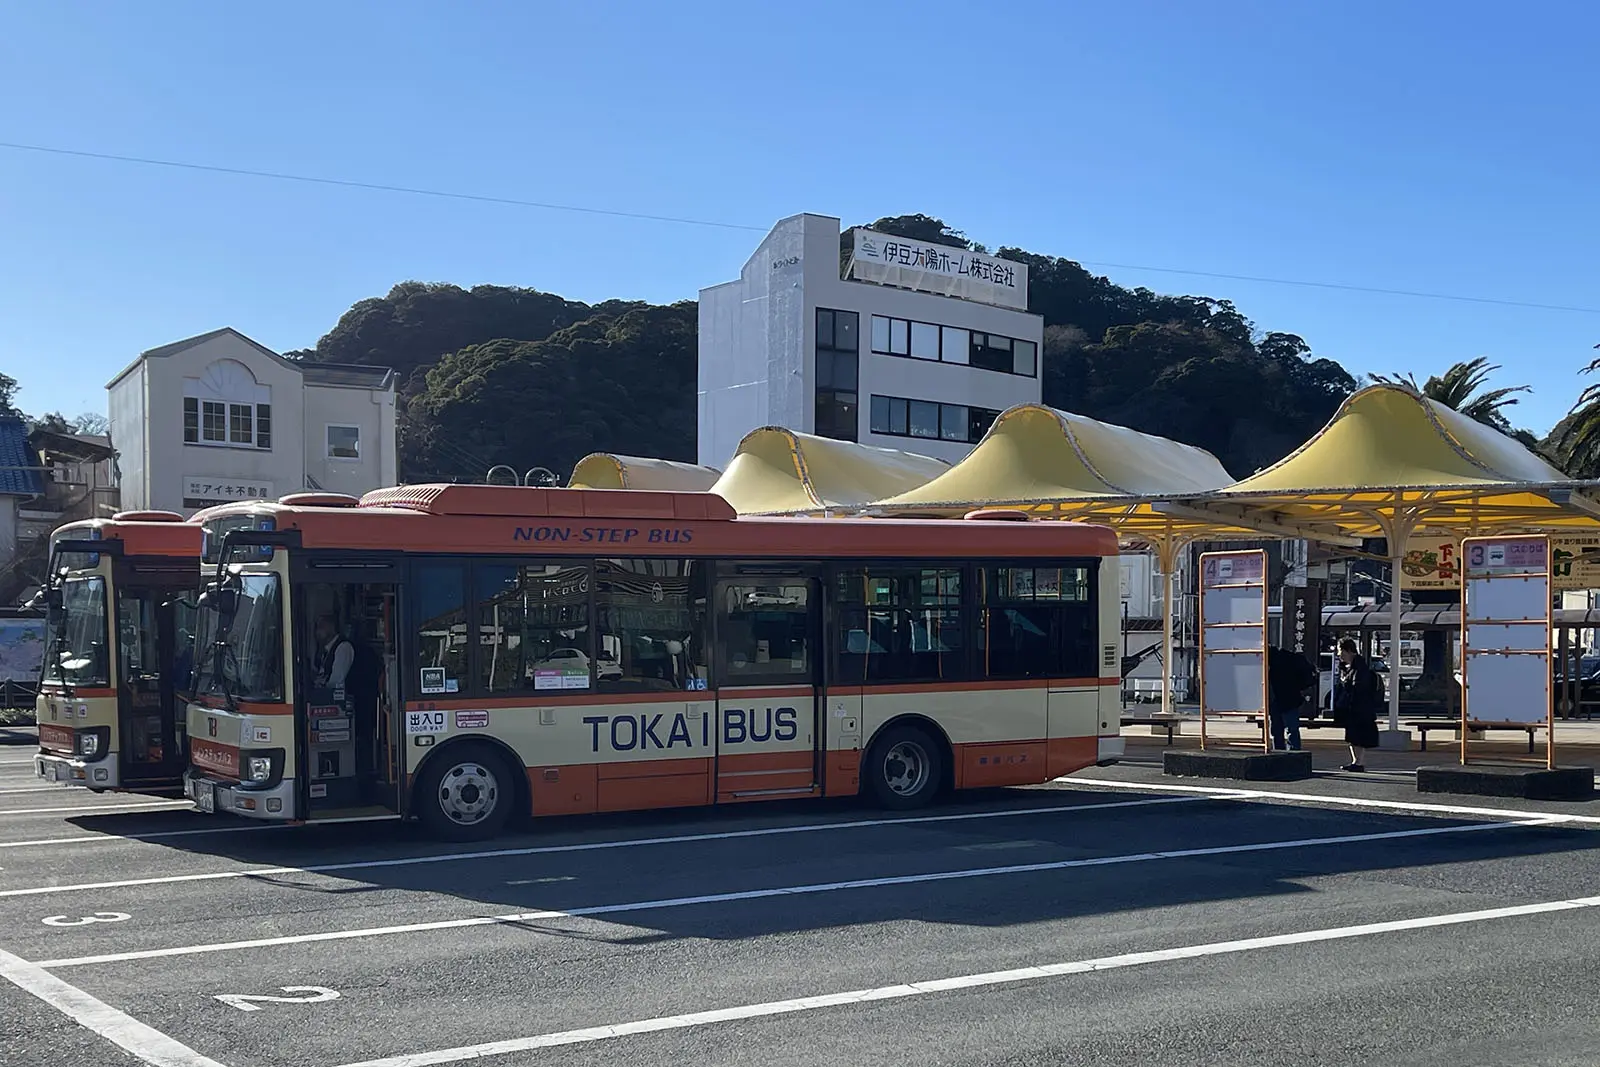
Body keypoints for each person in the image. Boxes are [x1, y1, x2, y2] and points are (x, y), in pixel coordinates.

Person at [1331, 637, 1382, 771]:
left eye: (1340, 651)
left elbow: (1358, 689)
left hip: (1359, 709)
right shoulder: (1349, 667)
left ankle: (1359, 762)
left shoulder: (1360, 668)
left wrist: (1347, 685)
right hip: (1354, 709)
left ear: (1349, 651)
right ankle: (1356, 761)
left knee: (1358, 736)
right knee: (1353, 737)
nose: (1339, 654)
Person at [1267, 645, 1315, 751]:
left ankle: (1278, 754)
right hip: (1291, 699)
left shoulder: (1270, 662)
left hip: (1276, 700)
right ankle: (1294, 754)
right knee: (1292, 730)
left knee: (1277, 731)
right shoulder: (1290, 658)